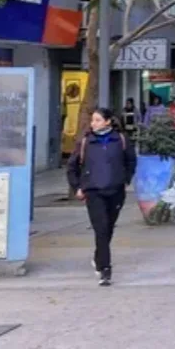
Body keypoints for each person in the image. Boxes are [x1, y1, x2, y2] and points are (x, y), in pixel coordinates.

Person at [67, 107, 137, 286]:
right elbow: (72, 166)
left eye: (98, 120)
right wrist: (77, 187)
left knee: (109, 227)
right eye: (93, 120)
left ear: (108, 121)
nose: (93, 123)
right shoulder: (85, 142)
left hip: (115, 190)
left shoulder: (120, 139)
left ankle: (99, 257)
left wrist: (125, 178)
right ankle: (105, 270)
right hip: (93, 190)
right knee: (101, 228)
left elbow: (131, 160)